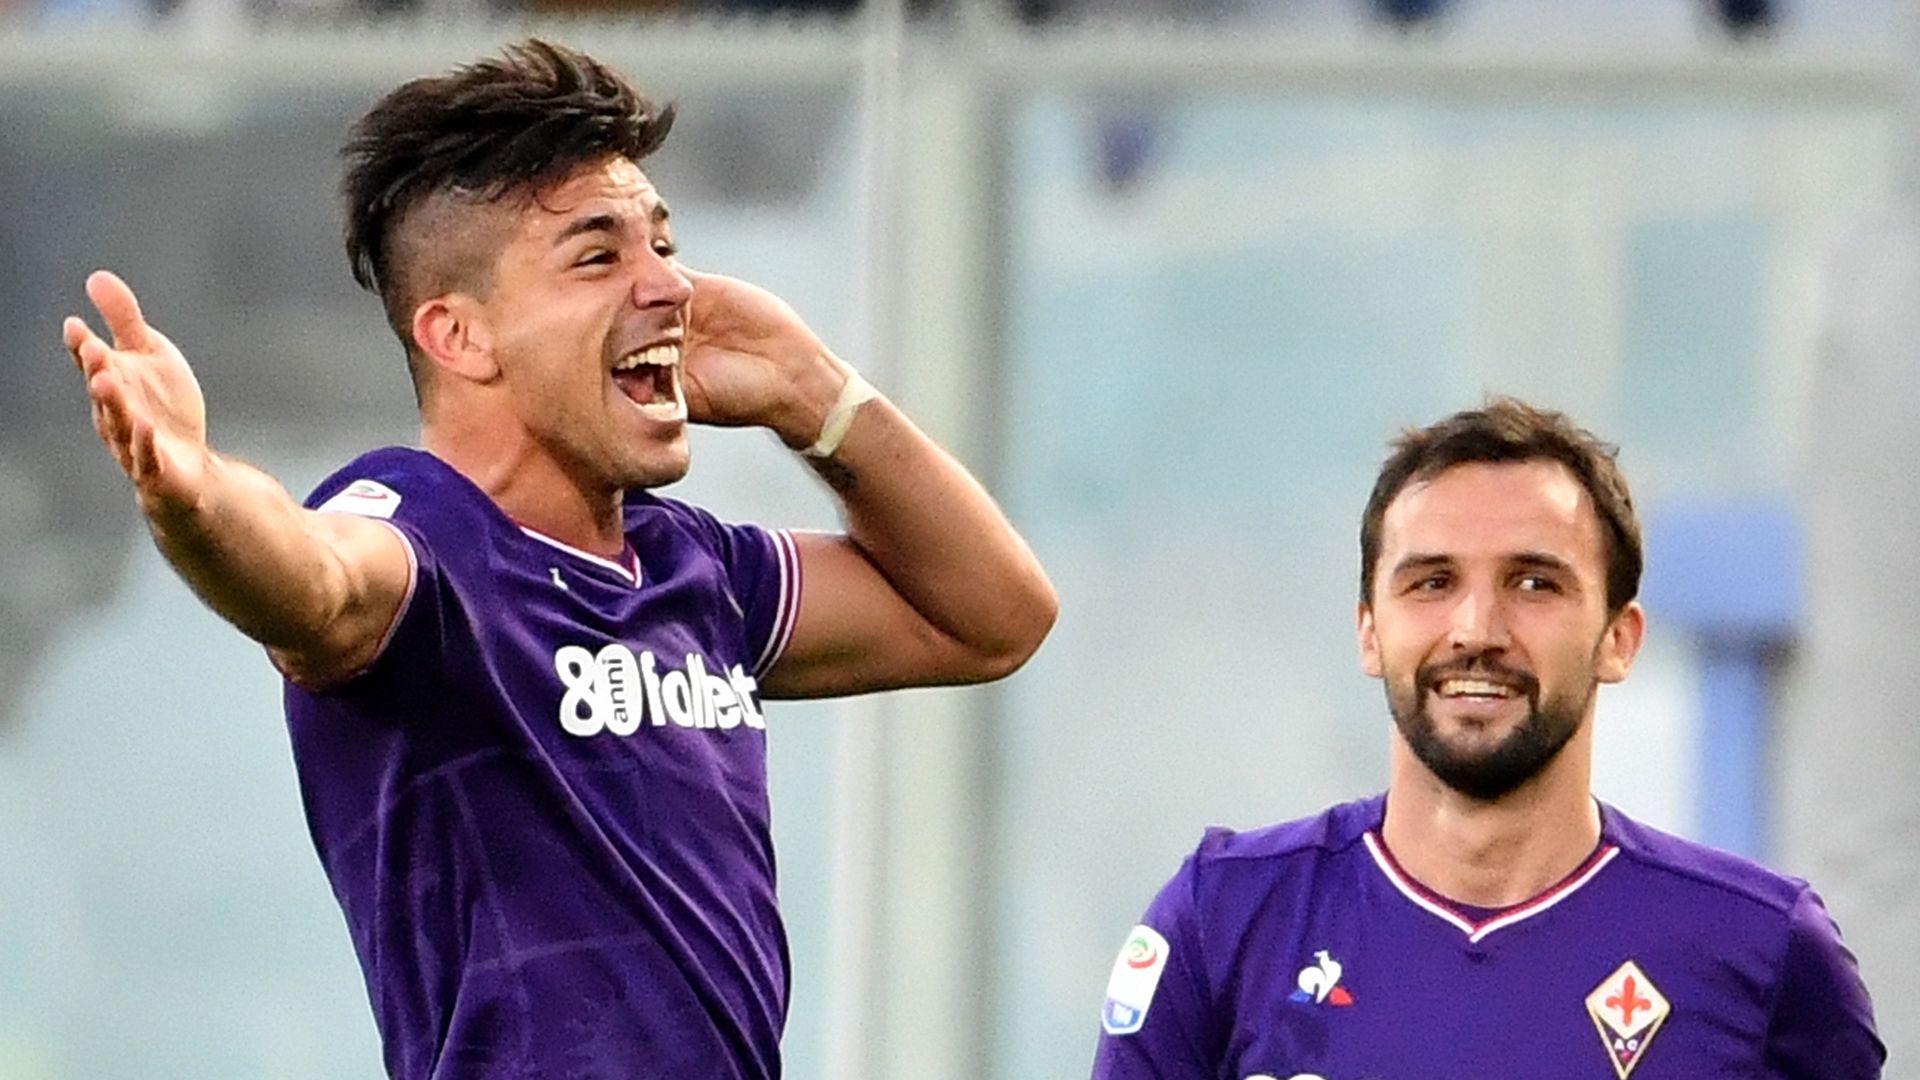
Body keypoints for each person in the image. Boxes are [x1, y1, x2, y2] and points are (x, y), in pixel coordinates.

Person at [62, 40, 1056, 1080]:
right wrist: (190, 493)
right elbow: (312, 579)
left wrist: (811, 390)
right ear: (460, 335)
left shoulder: (694, 571)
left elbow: (992, 615)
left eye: (663, 244)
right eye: (599, 255)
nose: (671, 286)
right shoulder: (426, 536)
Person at [1090, 398, 1881, 1080]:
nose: (1476, 629)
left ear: (1619, 639)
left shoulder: (1763, 952)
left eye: (1534, 583)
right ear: (1369, 631)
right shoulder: (1224, 922)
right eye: (1431, 581)